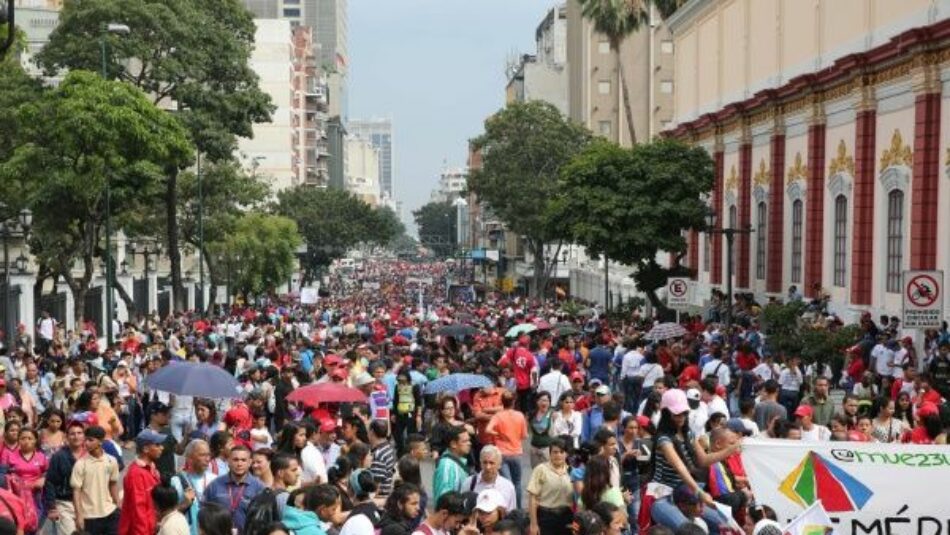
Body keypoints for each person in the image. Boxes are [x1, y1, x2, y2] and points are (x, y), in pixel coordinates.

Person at [648, 389, 738, 532]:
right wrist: (700, 493)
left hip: (687, 495)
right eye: (677, 414)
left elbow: (703, 460)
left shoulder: (688, 433)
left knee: (724, 524)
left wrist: (731, 450)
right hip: (663, 497)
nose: (681, 417)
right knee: (690, 531)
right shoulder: (663, 439)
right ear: (666, 414)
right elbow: (680, 467)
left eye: (684, 413)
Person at [202, 445, 267, 532]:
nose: (239, 464)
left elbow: (264, 520)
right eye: (235, 460)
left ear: (250, 463)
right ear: (228, 461)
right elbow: (203, 513)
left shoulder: (260, 488)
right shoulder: (214, 485)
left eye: (243, 460)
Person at [72, 426, 120, 535]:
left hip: (110, 512)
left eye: (91, 440)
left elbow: (113, 483)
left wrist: (118, 504)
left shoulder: (111, 461)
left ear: (100, 442)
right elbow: (76, 491)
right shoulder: (80, 464)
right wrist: (79, 516)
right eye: (86, 439)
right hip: (90, 516)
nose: (86, 443)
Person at [485, 391, 528, 509]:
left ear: (501, 402)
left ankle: (508, 507)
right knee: (517, 483)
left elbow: (488, 429)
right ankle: (518, 508)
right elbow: (524, 436)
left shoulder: (498, 416)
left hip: (502, 453)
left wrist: (497, 434)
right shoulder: (520, 416)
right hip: (516, 452)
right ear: (514, 402)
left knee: (507, 483)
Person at [118, 429, 165, 535]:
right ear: (146, 449)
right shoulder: (136, 475)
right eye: (157, 445)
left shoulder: (151, 468)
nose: (162, 448)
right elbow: (138, 511)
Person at [44, 420, 85, 535]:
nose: (76, 436)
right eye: (72, 434)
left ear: (84, 435)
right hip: (65, 503)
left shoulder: (89, 455)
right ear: (66, 437)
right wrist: (52, 508)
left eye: (79, 433)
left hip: (87, 503)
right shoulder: (59, 456)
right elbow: (50, 482)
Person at [526, 436, 573, 535]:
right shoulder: (541, 469)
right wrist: (533, 524)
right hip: (546, 517)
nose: (558, 455)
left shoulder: (572, 471)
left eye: (561, 452)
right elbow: (532, 497)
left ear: (566, 454)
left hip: (566, 517)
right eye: (555, 452)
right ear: (549, 453)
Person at [171, 439, 216, 535]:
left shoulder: (215, 480)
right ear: (189, 458)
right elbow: (167, 516)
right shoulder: (176, 481)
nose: (207, 459)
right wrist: (184, 504)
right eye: (202, 455)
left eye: (208, 455)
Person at [5, 427, 47, 523]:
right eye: (23, 438)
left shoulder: (41, 456)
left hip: (36, 494)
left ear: (35, 440)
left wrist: (43, 479)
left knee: (35, 521)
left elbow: (48, 472)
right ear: (18, 440)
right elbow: (3, 474)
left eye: (30, 438)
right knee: (19, 521)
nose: (26, 441)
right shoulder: (10, 456)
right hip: (16, 493)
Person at [461, 446, 516, 511]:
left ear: (499, 465)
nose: (488, 467)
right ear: (480, 463)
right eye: (485, 462)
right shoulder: (469, 483)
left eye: (491, 463)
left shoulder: (507, 487)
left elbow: (511, 514)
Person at [432, 427, 472, 501]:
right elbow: (444, 498)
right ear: (453, 444)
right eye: (465, 441)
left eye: (469, 440)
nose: (469, 443)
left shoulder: (458, 462)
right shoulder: (446, 466)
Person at [368, 419, 397, 498]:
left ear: (372, 432)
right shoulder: (389, 448)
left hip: (379, 498)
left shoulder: (379, 454)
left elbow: (376, 484)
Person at [528, 391, 553, 467]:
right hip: (534, 448)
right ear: (537, 402)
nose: (544, 403)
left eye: (546, 400)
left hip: (547, 449)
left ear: (549, 403)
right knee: (536, 472)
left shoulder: (553, 414)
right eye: (541, 400)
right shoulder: (532, 414)